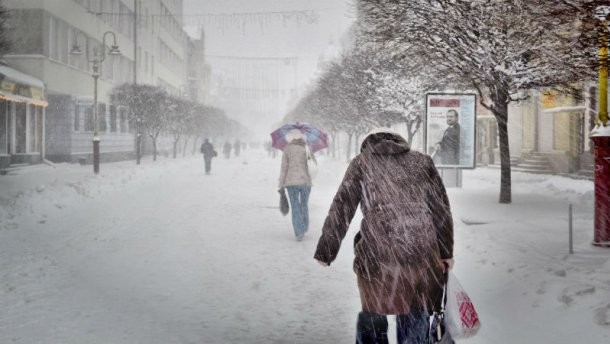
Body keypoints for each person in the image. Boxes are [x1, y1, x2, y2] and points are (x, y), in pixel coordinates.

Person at [313, 129, 454, 344]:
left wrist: (326, 251)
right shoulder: (422, 162)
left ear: (368, 145)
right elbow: (440, 209)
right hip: (421, 252)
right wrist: (445, 252)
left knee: (373, 310)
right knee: (416, 310)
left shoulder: (362, 163)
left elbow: (342, 207)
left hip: (378, 254)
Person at [278, 130, 313, 241]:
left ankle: (299, 232)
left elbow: (284, 168)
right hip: (305, 182)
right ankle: (305, 225)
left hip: (291, 182)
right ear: (302, 137)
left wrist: (280, 184)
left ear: (291, 138)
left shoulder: (287, 149)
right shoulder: (307, 147)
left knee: (295, 206)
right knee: (304, 204)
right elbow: (312, 164)